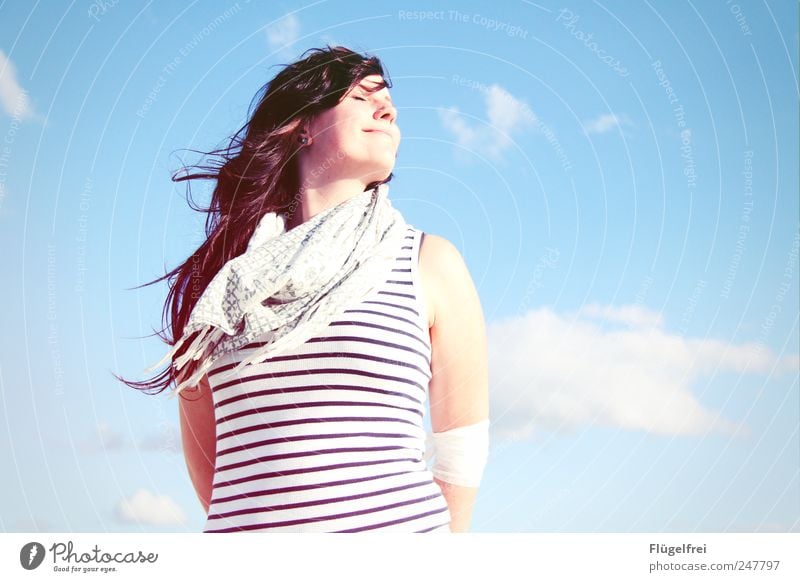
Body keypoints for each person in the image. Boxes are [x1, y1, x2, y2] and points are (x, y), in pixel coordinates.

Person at [117, 46, 489, 533]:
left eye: (390, 103)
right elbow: (212, 461)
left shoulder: (426, 261)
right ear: (304, 125)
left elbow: (463, 446)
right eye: (362, 95)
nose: (389, 110)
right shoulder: (222, 285)